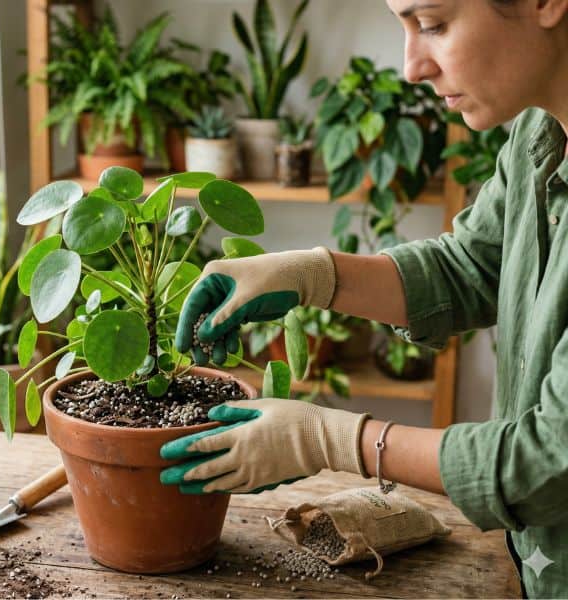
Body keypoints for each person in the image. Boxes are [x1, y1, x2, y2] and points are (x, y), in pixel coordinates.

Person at [159, 1, 568, 597]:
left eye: (432, 24)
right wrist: (311, 274)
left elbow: (546, 461)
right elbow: (472, 268)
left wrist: (330, 438)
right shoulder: (541, 132)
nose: (410, 66)